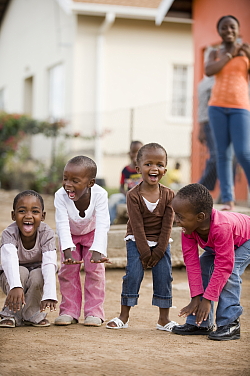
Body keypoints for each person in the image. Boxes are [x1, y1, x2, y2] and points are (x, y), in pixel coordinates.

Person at [106, 143, 177, 331]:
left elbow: (167, 225)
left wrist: (159, 250)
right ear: (138, 169)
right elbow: (136, 226)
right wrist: (145, 253)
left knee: (164, 276)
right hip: (137, 241)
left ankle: (164, 319)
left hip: (161, 242)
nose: (154, 168)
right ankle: (124, 316)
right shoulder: (133, 195)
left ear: (165, 170)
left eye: (159, 164)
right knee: (133, 275)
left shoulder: (169, 195)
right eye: (148, 164)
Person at [171, 183, 250, 341]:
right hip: (223, 245)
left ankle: (230, 324)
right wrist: (196, 298)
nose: (176, 220)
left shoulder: (221, 227)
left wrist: (208, 299)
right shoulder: (188, 229)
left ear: (200, 217)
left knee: (230, 271)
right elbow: (192, 264)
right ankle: (200, 323)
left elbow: (224, 266)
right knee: (203, 266)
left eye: (180, 216)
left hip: (245, 240)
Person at [54, 155, 110, 327]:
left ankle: (94, 312)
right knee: (68, 271)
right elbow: (62, 223)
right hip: (69, 235)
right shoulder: (60, 195)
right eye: (65, 179)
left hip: (92, 234)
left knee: (95, 271)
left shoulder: (100, 195)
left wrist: (98, 249)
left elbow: (103, 223)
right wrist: (67, 250)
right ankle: (69, 311)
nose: (68, 184)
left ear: (90, 183)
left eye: (75, 181)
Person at [205, 15, 250, 211]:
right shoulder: (214, 52)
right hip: (217, 107)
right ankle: (229, 200)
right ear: (219, 31)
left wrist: (244, 53)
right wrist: (229, 55)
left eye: (232, 27)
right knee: (222, 155)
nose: (229, 31)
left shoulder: (246, 51)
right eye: (224, 28)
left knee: (243, 152)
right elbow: (209, 70)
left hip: (240, 107)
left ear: (238, 30)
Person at [0, 190, 57, 328]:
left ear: (43, 216)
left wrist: (49, 294)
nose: (28, 216)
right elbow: (9, 259)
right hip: (12, 274)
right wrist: (15, 285)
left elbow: (49, 263)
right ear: (13, 215)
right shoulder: (9, 234)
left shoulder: (47, 233)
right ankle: (11, 314)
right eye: (22, 211)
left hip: (37, 272)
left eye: (35, 212)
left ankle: (33, 314)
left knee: (38, 274)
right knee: (21, 272)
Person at [108, 141, 143, 224]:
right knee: (113, 198)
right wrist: (127, 194)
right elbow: (121, 187)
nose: (135, 155)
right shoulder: (125, 170)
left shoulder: (145, 169)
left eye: (138, 152)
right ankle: (109, 223)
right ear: (129, 153)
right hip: (128, 197)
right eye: (133, 152)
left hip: (142, 197)